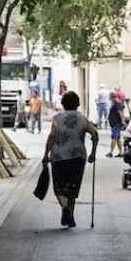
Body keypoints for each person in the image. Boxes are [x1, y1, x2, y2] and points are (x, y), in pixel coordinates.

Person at [44, 91, 99, 227]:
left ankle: (65, 209)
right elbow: (95, 134)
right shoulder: (82, 118)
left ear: (63, 103)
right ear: (78, 103)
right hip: (77, 157)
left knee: (59, 188)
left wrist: (46, 154)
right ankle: (70, 217)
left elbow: (51, 137)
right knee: (72, 189)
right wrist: (93, 152)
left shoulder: (57, 118)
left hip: (59, 157)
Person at [106, 90, 127, 157]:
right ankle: (121, 152)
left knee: (114, 137)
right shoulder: (115, 103)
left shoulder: (117, 103)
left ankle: (111, 152)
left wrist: (123, 121)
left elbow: (120, 112)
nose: (109, 98)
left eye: (109, 96)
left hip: (116, 123)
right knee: (117, 138)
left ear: (112, 96)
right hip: (115, 123)